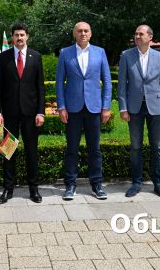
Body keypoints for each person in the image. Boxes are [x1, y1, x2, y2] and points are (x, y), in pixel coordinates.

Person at [56, 22, 112, 201]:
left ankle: (97, 184)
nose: (83, 33)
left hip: (94, 108)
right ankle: (70, 184)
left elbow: (107, 81)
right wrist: (61, 107)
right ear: (74, 34)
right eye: (79, 31)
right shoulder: (65, 53)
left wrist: (106, 106)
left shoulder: (100, 52)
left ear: (90, 33)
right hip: (72, 108)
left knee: (94, 149)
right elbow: (59, 82)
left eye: (86, 31)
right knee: (71, 149)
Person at [0, 24, 46, 204]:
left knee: (31, 152)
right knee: (9, 151)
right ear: (12, 37)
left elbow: (40, 87)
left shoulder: (35, 56)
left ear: (27, 36)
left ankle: (34, 189)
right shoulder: (4, 57)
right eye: (16, 35)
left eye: (22, 35)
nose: (19, 38)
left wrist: (41, 112)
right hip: (10, 114)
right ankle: (8, 189)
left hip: (31, 114)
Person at [118, 25, 160, 198]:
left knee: (156, 146)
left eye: (140, 34)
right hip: (134, 108)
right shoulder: (126, 55)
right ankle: (136, 183)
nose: (137, 36)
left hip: (156, 107)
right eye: (136, 34)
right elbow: (121, 84)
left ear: (150, 37)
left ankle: (158, 184)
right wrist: (123, 108)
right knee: (135, 147)